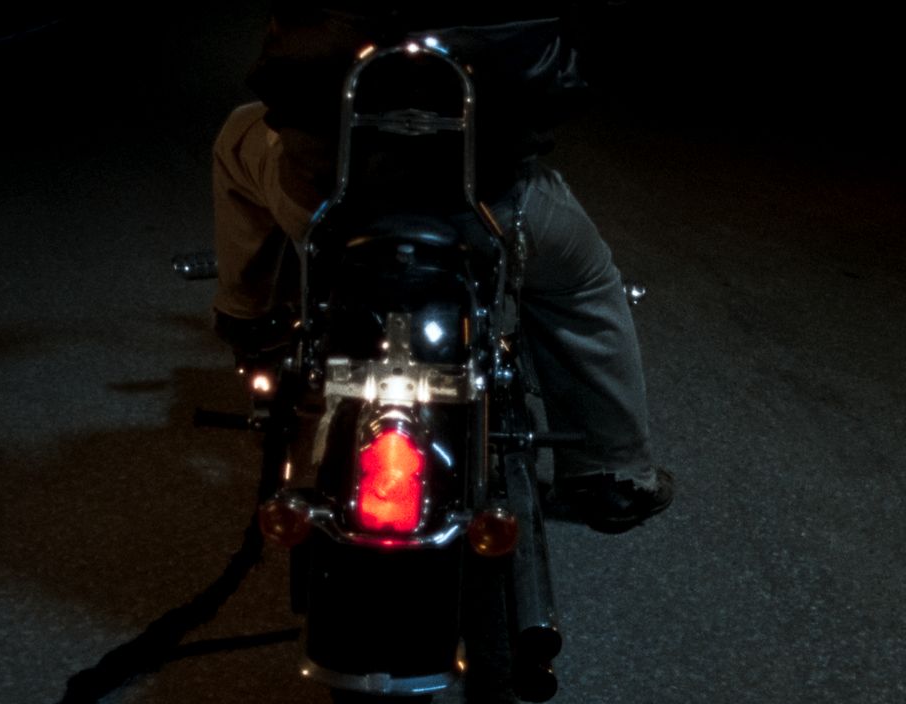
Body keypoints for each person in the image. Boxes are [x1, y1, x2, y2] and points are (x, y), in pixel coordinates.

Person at [210, 4, 672, 533]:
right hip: (485, 213)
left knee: (236, 138)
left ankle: (249, 317)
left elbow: (279, 62)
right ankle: (609, 473)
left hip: (329, 207)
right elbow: (560, 75)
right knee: (583, 284)